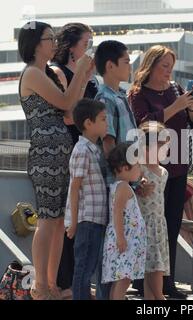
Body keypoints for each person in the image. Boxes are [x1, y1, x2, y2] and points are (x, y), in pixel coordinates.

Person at [18, 21, 92, 300]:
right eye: (49, 38)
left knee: (59, 221)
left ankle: (51, 284)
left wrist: (82, 77)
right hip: (45, 155)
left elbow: (72, 110)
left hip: (61, 153)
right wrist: (80, 72)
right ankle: (40, 287)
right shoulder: (33, 73)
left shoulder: (49, 74)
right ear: (36, 43)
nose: (54, 43)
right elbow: (63, 102)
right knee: (47, 221)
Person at [129, 45, 193, 299]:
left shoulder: (176, 90)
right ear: (151, 66)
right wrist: (175, 106)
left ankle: (165, 283)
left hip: (178, 166)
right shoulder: (138, 93)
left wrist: (191, 107)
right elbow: (144, 123)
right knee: (147, 225)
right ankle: (141, 282)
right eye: (164, 65)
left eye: (171, 65)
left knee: (170, 226)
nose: (169, 71)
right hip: (151, 168)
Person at [93, 40, 153, 299]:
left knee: (121, 262)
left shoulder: (120, 96)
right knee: (115, 259)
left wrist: (136, 181)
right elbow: (109, 145)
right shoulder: (105, 98)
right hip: (115, 184)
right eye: (127, 61)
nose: (131, 66)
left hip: (126, 182)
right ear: (110, 65)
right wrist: (130, 180)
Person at [51, 22, 98, 297]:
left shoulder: (88, 76)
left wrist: (87, 75)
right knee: (69, 216)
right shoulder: (59, 72)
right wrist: (81, 75)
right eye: (85, 44)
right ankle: (64, 282)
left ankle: (78, 281)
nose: (88, 49)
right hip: (69, 148)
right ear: (70, 46)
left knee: (84, 217)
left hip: (89, 150)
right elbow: (72, 114)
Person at [64, 99, 108, 300]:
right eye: (103, 119)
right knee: (83, 268)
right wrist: (73, 222)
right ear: (89, 123)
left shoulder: (94, 148)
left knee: (88, 267)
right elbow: (74, 187)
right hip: (86, 220)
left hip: (96, 219)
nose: (106, 123)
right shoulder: (82, 150)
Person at [101, 143, 147, 300]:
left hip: (127, 241)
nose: (140, 168)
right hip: (124, 241)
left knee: (122, 279)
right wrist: (121, 237)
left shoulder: (123, 187)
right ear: (124, 167)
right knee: (124, 279)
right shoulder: (123, 188)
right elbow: (117, 213)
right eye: (137, 165)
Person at [137, 121, 170, 300]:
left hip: (159, 224)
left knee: (156, 267)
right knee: (153, 267)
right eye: (161, 146)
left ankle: (153, 299)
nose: (165, 151)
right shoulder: (139, 170)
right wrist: (138, 185)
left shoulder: (163, 172)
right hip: (144, 224)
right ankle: (160, 297)